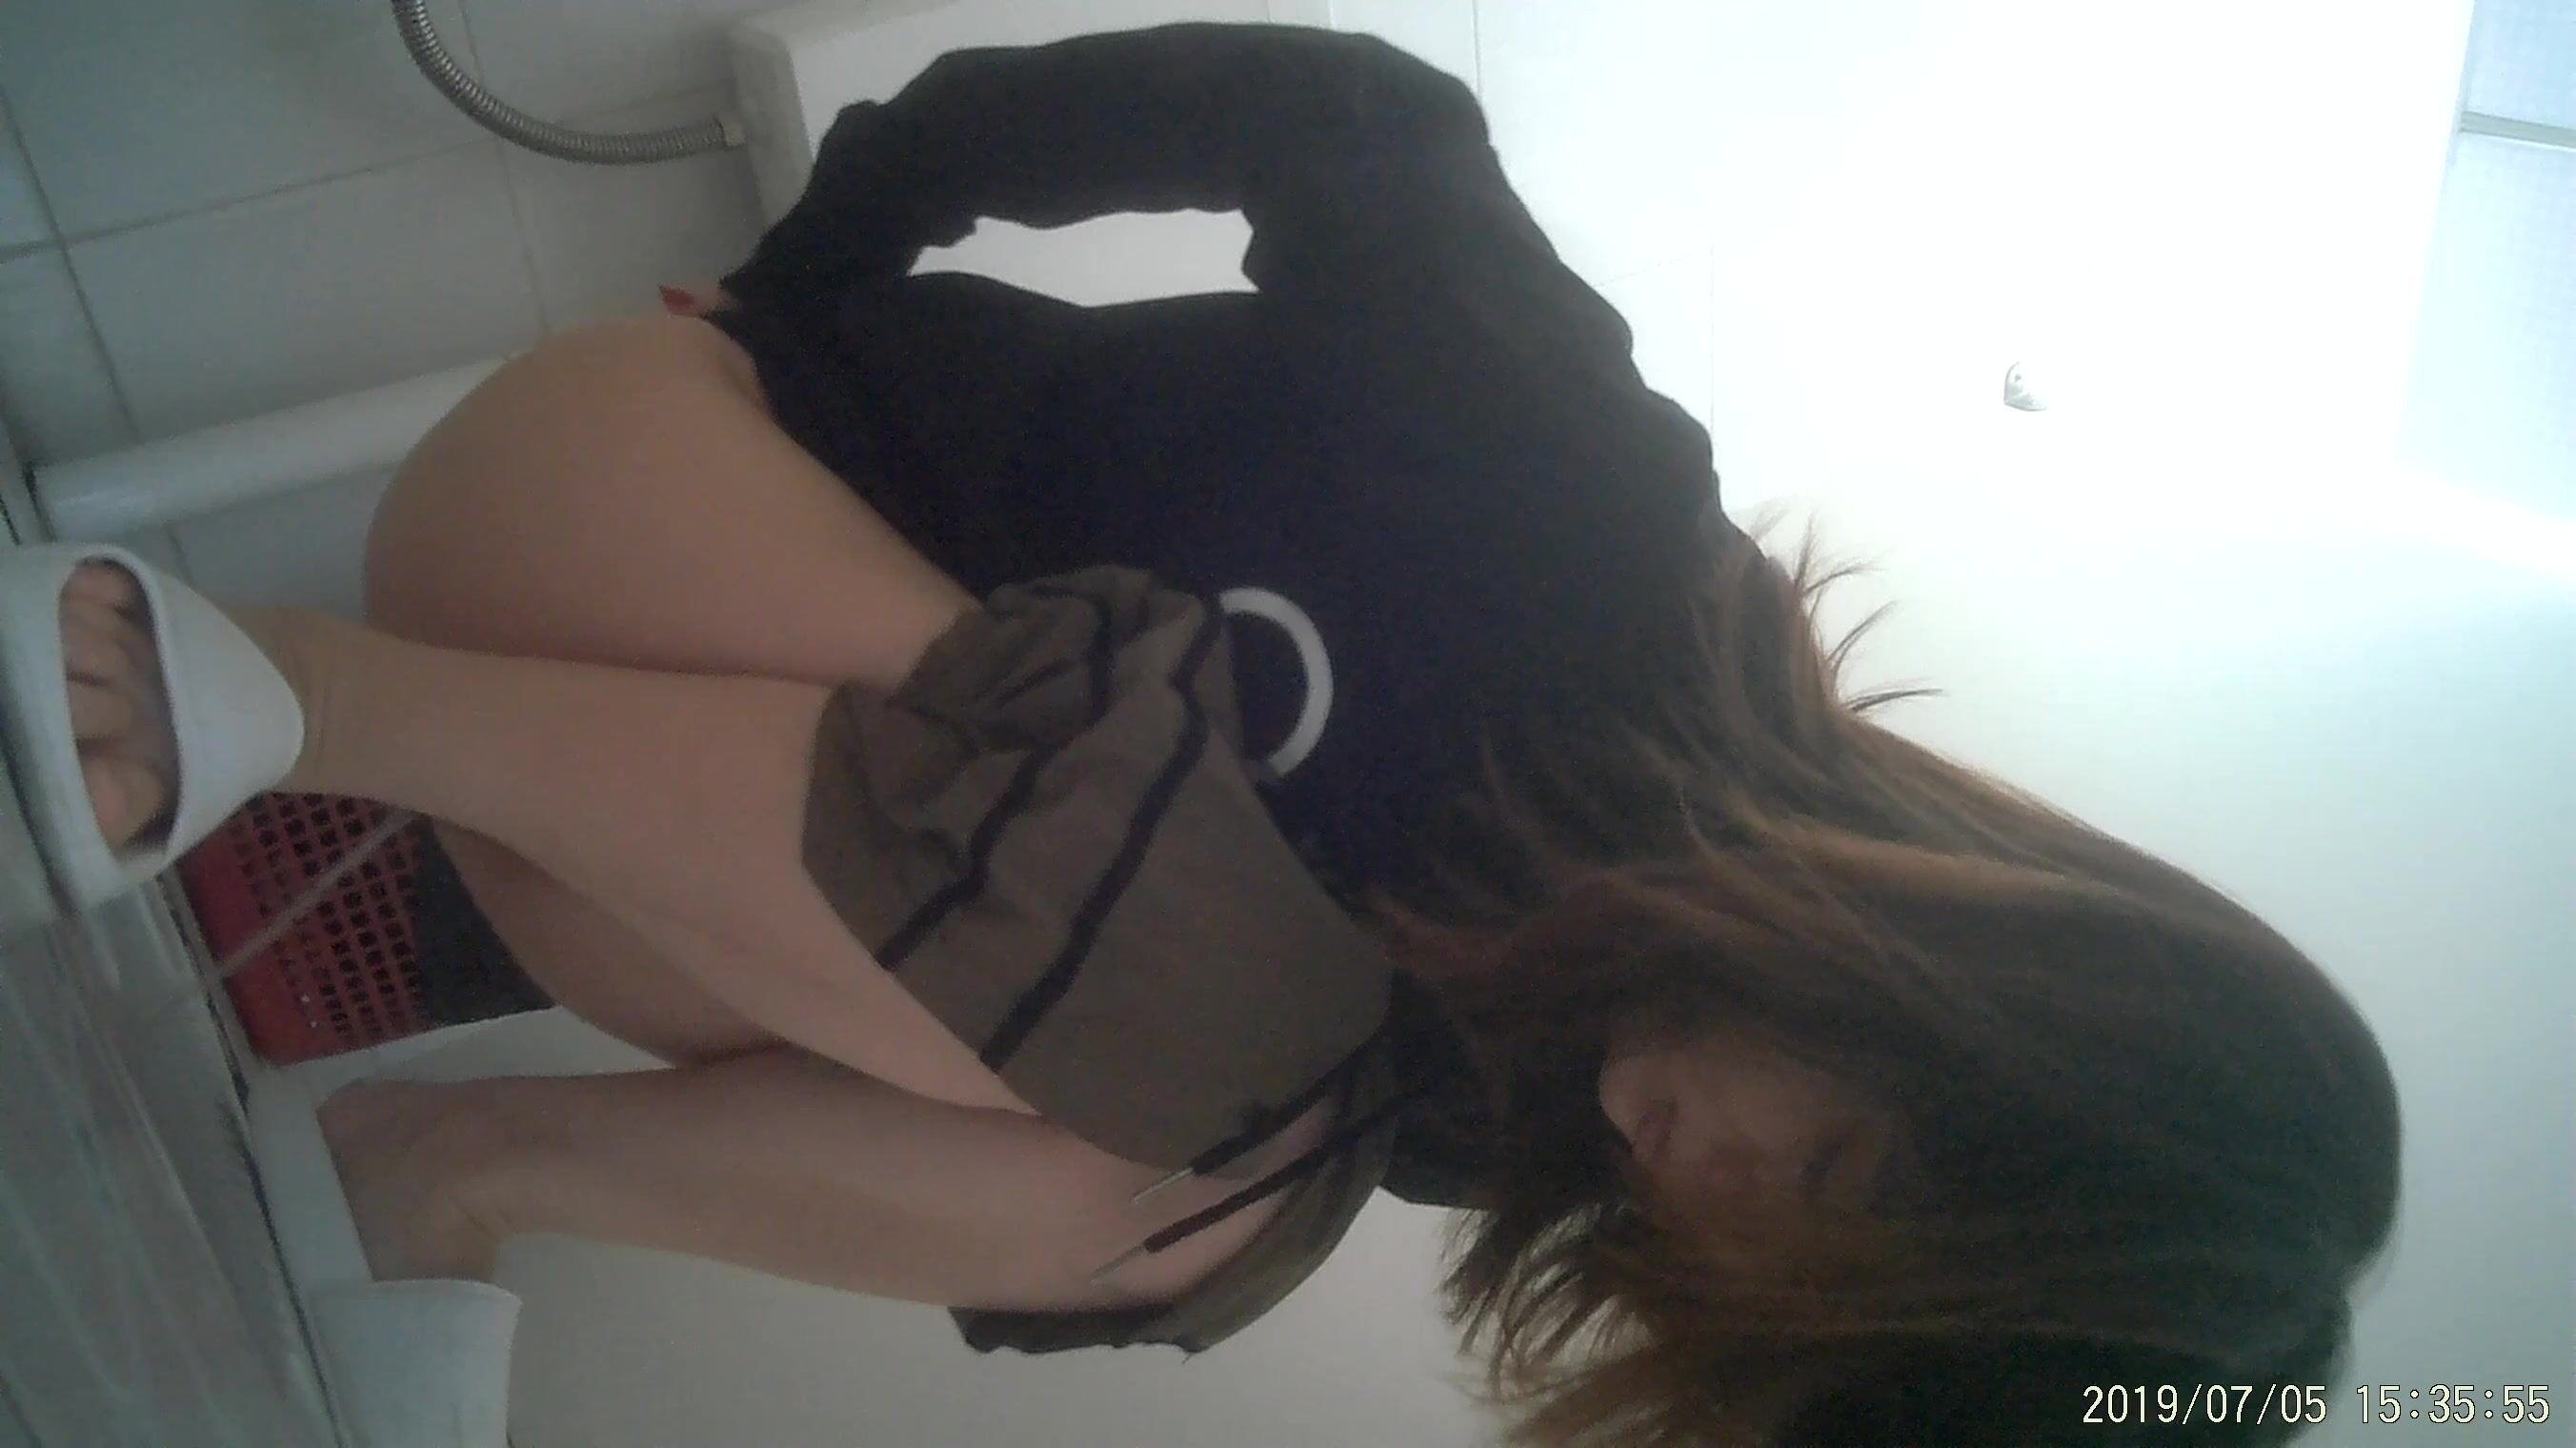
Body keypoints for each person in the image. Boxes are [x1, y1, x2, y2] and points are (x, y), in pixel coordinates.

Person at [32, 22, 2398, 1447]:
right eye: (1837, 1173)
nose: (1715, 1202)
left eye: (1763, 1290)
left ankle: (438, 1175)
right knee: (1232, 1038)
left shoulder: (1519, 1103)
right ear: (1967, 987)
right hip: (618, 489)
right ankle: (290, 683)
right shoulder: (1590, 542)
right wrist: (833, 244)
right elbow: (1354, 116)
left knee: (1208, 1192)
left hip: (602, 869)